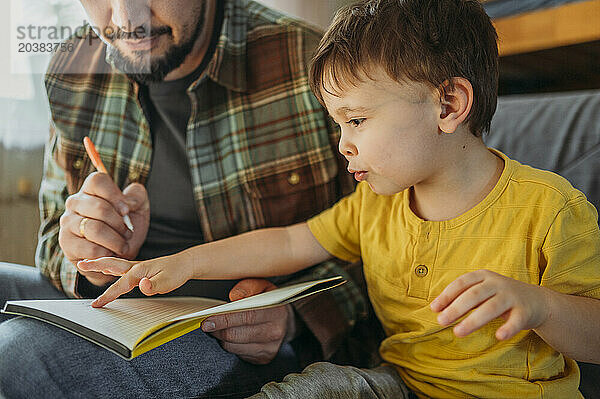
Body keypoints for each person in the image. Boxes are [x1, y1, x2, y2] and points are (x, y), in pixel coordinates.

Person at [80, 0, 600, 397]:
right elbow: (287, 242)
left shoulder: (550, 209)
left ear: (448, 104)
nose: (342, 143)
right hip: (398, 384)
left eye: (356, 120)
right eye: (337, 123)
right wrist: (181, 263)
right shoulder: (376, 203)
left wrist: (540, 306)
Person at [0, 1, 372, 398]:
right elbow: (53, 237)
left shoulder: (310, 63)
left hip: (237, 342)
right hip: (111, 307)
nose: (127, 20)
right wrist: (89, 257)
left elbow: (390, 247)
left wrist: (293, 317)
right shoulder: (73, 66)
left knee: (20, 351)